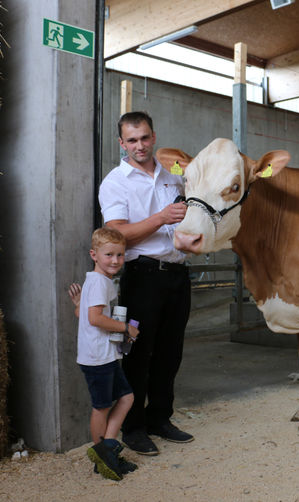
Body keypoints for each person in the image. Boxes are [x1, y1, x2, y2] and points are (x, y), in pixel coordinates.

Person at [97, 111, 193, 455]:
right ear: (122, 144)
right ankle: (133, 427)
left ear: (154, 137)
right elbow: (117, 233)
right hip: (143, 278)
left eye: (145, 138)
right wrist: (160, 218)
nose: (140, 145)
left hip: (178, 275)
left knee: (171, 352)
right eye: (132, 140)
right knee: (138, 354)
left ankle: (160, 418)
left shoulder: (174, 179)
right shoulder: (115, 182)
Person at [71, 227, 140, 481]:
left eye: (120, 255)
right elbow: (95, 318)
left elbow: (84, 316)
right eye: (109, 254)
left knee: (126, 397)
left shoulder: (98, 280)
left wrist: (78, 305)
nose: (115, 260)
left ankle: (107, 450)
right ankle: (103, 456)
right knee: (101, 407)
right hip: (97, 358)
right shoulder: (100, 282)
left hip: (105, 355)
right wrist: (126, 328)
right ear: (94, 255)